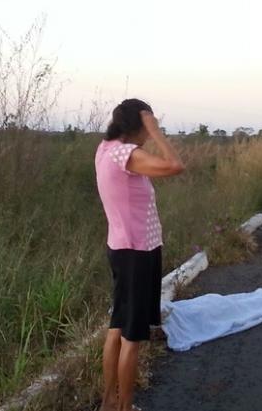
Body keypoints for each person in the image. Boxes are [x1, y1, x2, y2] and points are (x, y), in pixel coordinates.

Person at [95, 98, 185, 411]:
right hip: (136, 252)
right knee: (131, 337)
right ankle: (123, 407)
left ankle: (109, 403)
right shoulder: (126, 153)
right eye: (149, 122)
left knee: (117, 327)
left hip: (122, 248)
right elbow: (175, 165)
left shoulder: (105, 149)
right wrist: (157, 132)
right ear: (140, 124)